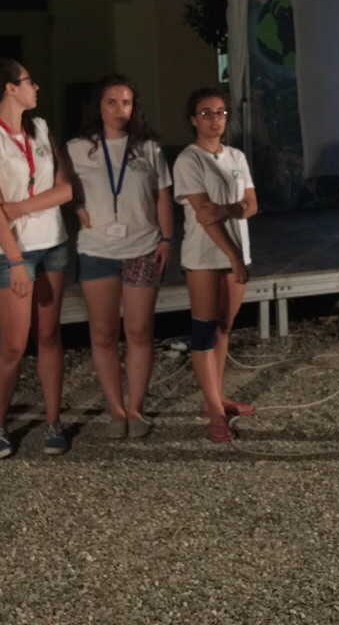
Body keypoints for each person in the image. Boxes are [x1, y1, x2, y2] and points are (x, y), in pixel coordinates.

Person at [0, 59, 72, 458]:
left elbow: (65, 189)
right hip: (9, 252)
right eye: (29, 81)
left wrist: (23, 207)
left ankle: (53, 420)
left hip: (52, 243)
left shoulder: (40, 127)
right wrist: (14, 259)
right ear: (10, 88)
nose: (36, 87)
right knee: (13, 344)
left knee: (49, 335)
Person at [66, 75, 173, 439]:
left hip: (143, 248)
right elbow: (64, 188)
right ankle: (115, 410)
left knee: (139, 330)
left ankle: (136, 408)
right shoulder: (78, 149)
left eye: (125, 103)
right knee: (103, 333)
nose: (119, 110)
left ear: (134, 107)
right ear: (98, 107)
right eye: (111, 102)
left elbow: (162, 194)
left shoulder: (149, 149)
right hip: (96, 251)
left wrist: (167, 238)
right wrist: (76, 205)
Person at [172, 87, 257, 443]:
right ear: (193, 119)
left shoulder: (236, 156)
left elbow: (251, 204)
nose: (214, 119)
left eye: (220, 112)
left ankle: (216, 398)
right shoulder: (188, 160)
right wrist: (233, 255)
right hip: (205, 256)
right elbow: (205, 214)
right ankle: (214, 411)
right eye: (206, 113)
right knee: (204, 329)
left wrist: (228, 210)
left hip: (237, 251)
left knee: (224, 326)